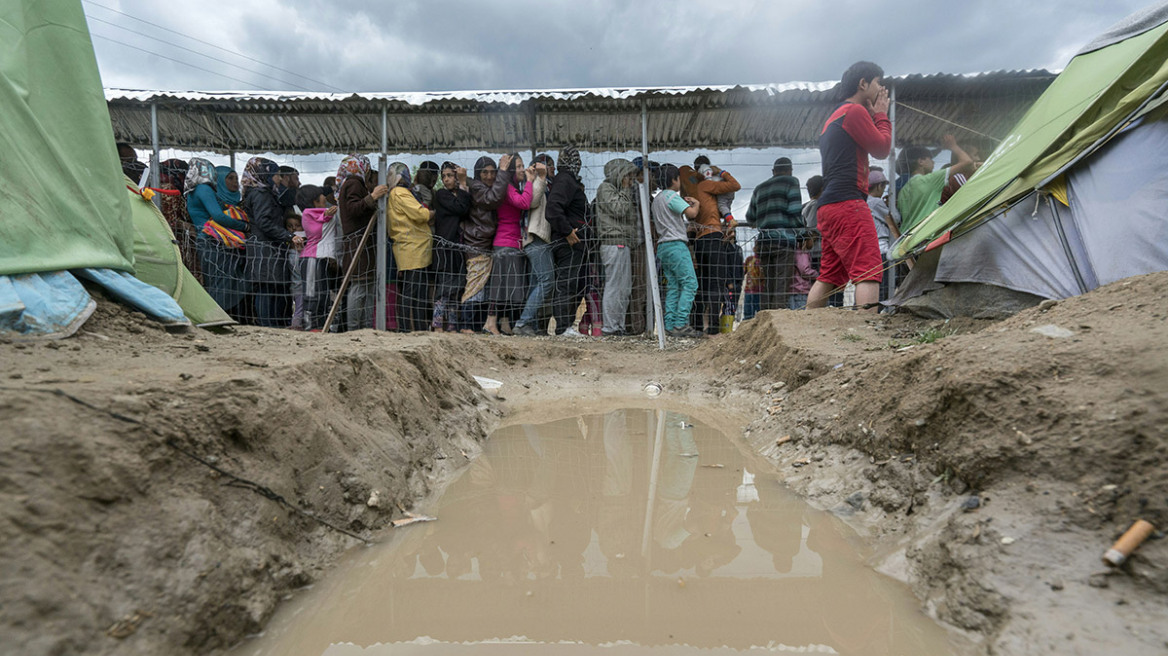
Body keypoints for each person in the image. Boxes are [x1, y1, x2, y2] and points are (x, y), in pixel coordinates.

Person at [806, 61, 892, 311]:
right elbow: (881, 148)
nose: (881, 89)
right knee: (870, 267)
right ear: (863, 83)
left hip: (829, 206)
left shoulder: (834, 117)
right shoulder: (854, 112)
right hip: (848, 203)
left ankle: (808, 327)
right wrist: (881, 115)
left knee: (830, 275)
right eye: (878, 82)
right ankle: (866, 332)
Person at [484, 155, 544, 335]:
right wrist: (530, 181)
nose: (522, 169)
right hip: (505, 242)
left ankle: (504, 323)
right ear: (510, 170)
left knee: (509, 287)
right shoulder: (508, 188)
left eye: (523, 165)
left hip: (513, 242)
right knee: (500, 286)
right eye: (518, 166)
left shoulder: (512, 187)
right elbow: (524, 203)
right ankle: (490, 322)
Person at [679, 160, 740, 333]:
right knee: (716, 283)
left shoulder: (693, 190)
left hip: (699, 240)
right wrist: (720, 172)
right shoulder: (706, 185)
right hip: (713, 236)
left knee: (702, 283)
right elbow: (735, 185)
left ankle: (697, 325)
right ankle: (713, 327)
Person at [242, 157, 304, 327]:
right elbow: (264, 222)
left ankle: (272, 324)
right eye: (276, 175)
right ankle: (268, 326)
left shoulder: (262, 192)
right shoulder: (261, 194)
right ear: (264, 174)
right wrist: (288, 236)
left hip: (267, 247)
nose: (278, 178)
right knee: (266, 289)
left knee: (271, 288)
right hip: (265, 248)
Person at [185, 159, 251, 317]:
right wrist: (244, 226)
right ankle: (218, 316)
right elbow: (218, 216)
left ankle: (214, 316)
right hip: (213, 241)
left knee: (215, 281)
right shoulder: (204, 189)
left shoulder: (192, 191)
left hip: (205, 241)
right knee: (224, 282)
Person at [336, 154, 389, 331]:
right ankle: (354, 328)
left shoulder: (350, 184)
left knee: (366, 287)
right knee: (359, 287)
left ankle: (365, 327)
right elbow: (353, 209)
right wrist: (372, 197)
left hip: (362, 243)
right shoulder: (353, 183)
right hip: (358, 244)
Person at [745, 156, 804, 311]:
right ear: (790, 170)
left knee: (768, 286)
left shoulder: (759, 188)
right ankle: (778, 320)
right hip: (784, 241)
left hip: (764, 241)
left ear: (773, 171)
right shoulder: (791, 182)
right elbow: (795, 212)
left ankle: (765, 318)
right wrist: (803, 233)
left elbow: (750, 217)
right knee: (781, 284)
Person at [651, 164, 703, 339]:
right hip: (676, 246)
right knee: (690, 283)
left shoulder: (657, 199)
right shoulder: (672, 196)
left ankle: (670, 324)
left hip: (663, 246)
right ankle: (681, 323)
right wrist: (696, 203)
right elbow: (692, 214)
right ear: (674, 179)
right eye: (679, 178)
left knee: (673, 285)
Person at [545, 147, 592, 336]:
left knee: (571, 283)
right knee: (566, 283)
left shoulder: (568, 180)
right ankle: (563, 327)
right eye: (576, 160)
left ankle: (566, 325)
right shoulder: (565, 180)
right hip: (568, 243)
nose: (578, 164)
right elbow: (553, 209)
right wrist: (567, 232)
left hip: (574, 242)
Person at [463, 155, 512, 333]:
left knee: (483, 286)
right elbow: (494, 198)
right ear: (478, 173)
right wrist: (503, 172)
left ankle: (476, 326)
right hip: (477, 242)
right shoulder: (477, 187)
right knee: (475, 285)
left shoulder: (477, 186)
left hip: (484, 242)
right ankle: (467, 326)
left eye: (493, 172)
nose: (490, 176)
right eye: (485, 172)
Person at [594, 158, 642, 336]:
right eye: (628, 176)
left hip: (623, 242)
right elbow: (619, 209)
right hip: (613, 242)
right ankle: (610, 326)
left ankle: (618, 325)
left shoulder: (619, 190)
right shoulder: (606, 189)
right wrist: (625, 190)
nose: (630, 181)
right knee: (614, 285)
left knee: (625, 287)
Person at [386, 162, 434, 332]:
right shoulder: (400, 193)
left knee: (415, 292)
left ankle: (415, 328)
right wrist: (431, 213)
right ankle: (408, 328)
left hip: (412, 249)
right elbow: (419, 213)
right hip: (413, 249)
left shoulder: (394, 193)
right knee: (413, 293)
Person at [513, 153, 556, 336]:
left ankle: (532, 325)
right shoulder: (532, 183)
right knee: (547, 281)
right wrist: (540, 177)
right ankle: (523, 323)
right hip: (535, 237)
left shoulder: (538, 183)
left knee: (535, 283)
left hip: (537, 238)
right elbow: (532, 201)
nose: (553, 170)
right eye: (550, 166)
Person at [896, 134, 974, 235]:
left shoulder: (903, 191)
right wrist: (953, 146)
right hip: (926, 238)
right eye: (930, 158)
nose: (933, 162)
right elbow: (967, 162)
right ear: (921, 161)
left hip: (907, 240)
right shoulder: (930, 180)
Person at [431, 162, 471, 332]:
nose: (446, 179)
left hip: (458, 249)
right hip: (445, 249)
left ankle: (453, 325)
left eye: (450, 175)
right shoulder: (441, 195)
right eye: (444, 176)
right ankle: (437, 323)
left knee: (457, 289)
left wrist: (463, 188)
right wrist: (462, 185)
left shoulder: (461, 194)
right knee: (444, 288)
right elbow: (462, 208)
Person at [866, 170, 897, 301]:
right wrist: (891, 205)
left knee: (869, 283)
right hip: (881, 248)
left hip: (869, 248)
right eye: (883, 187)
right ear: (879, 186)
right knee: (883, 288)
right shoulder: (876, 202)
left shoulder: (864, 201)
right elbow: (894, 218)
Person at [788, 234, 819, 310]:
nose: (813, 244)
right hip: (800, 289)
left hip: (794, 288)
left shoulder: (795, 251)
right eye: (813, 241)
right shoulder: (802, 253)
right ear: (807, 241)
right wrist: (817, 274)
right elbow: (804, 271)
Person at [741, 252, 762, 321]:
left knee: (761, 316)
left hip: (761, 292)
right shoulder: (749, 259)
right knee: (748, 316)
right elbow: (742, 272)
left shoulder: (765, 260)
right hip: (749, 291)